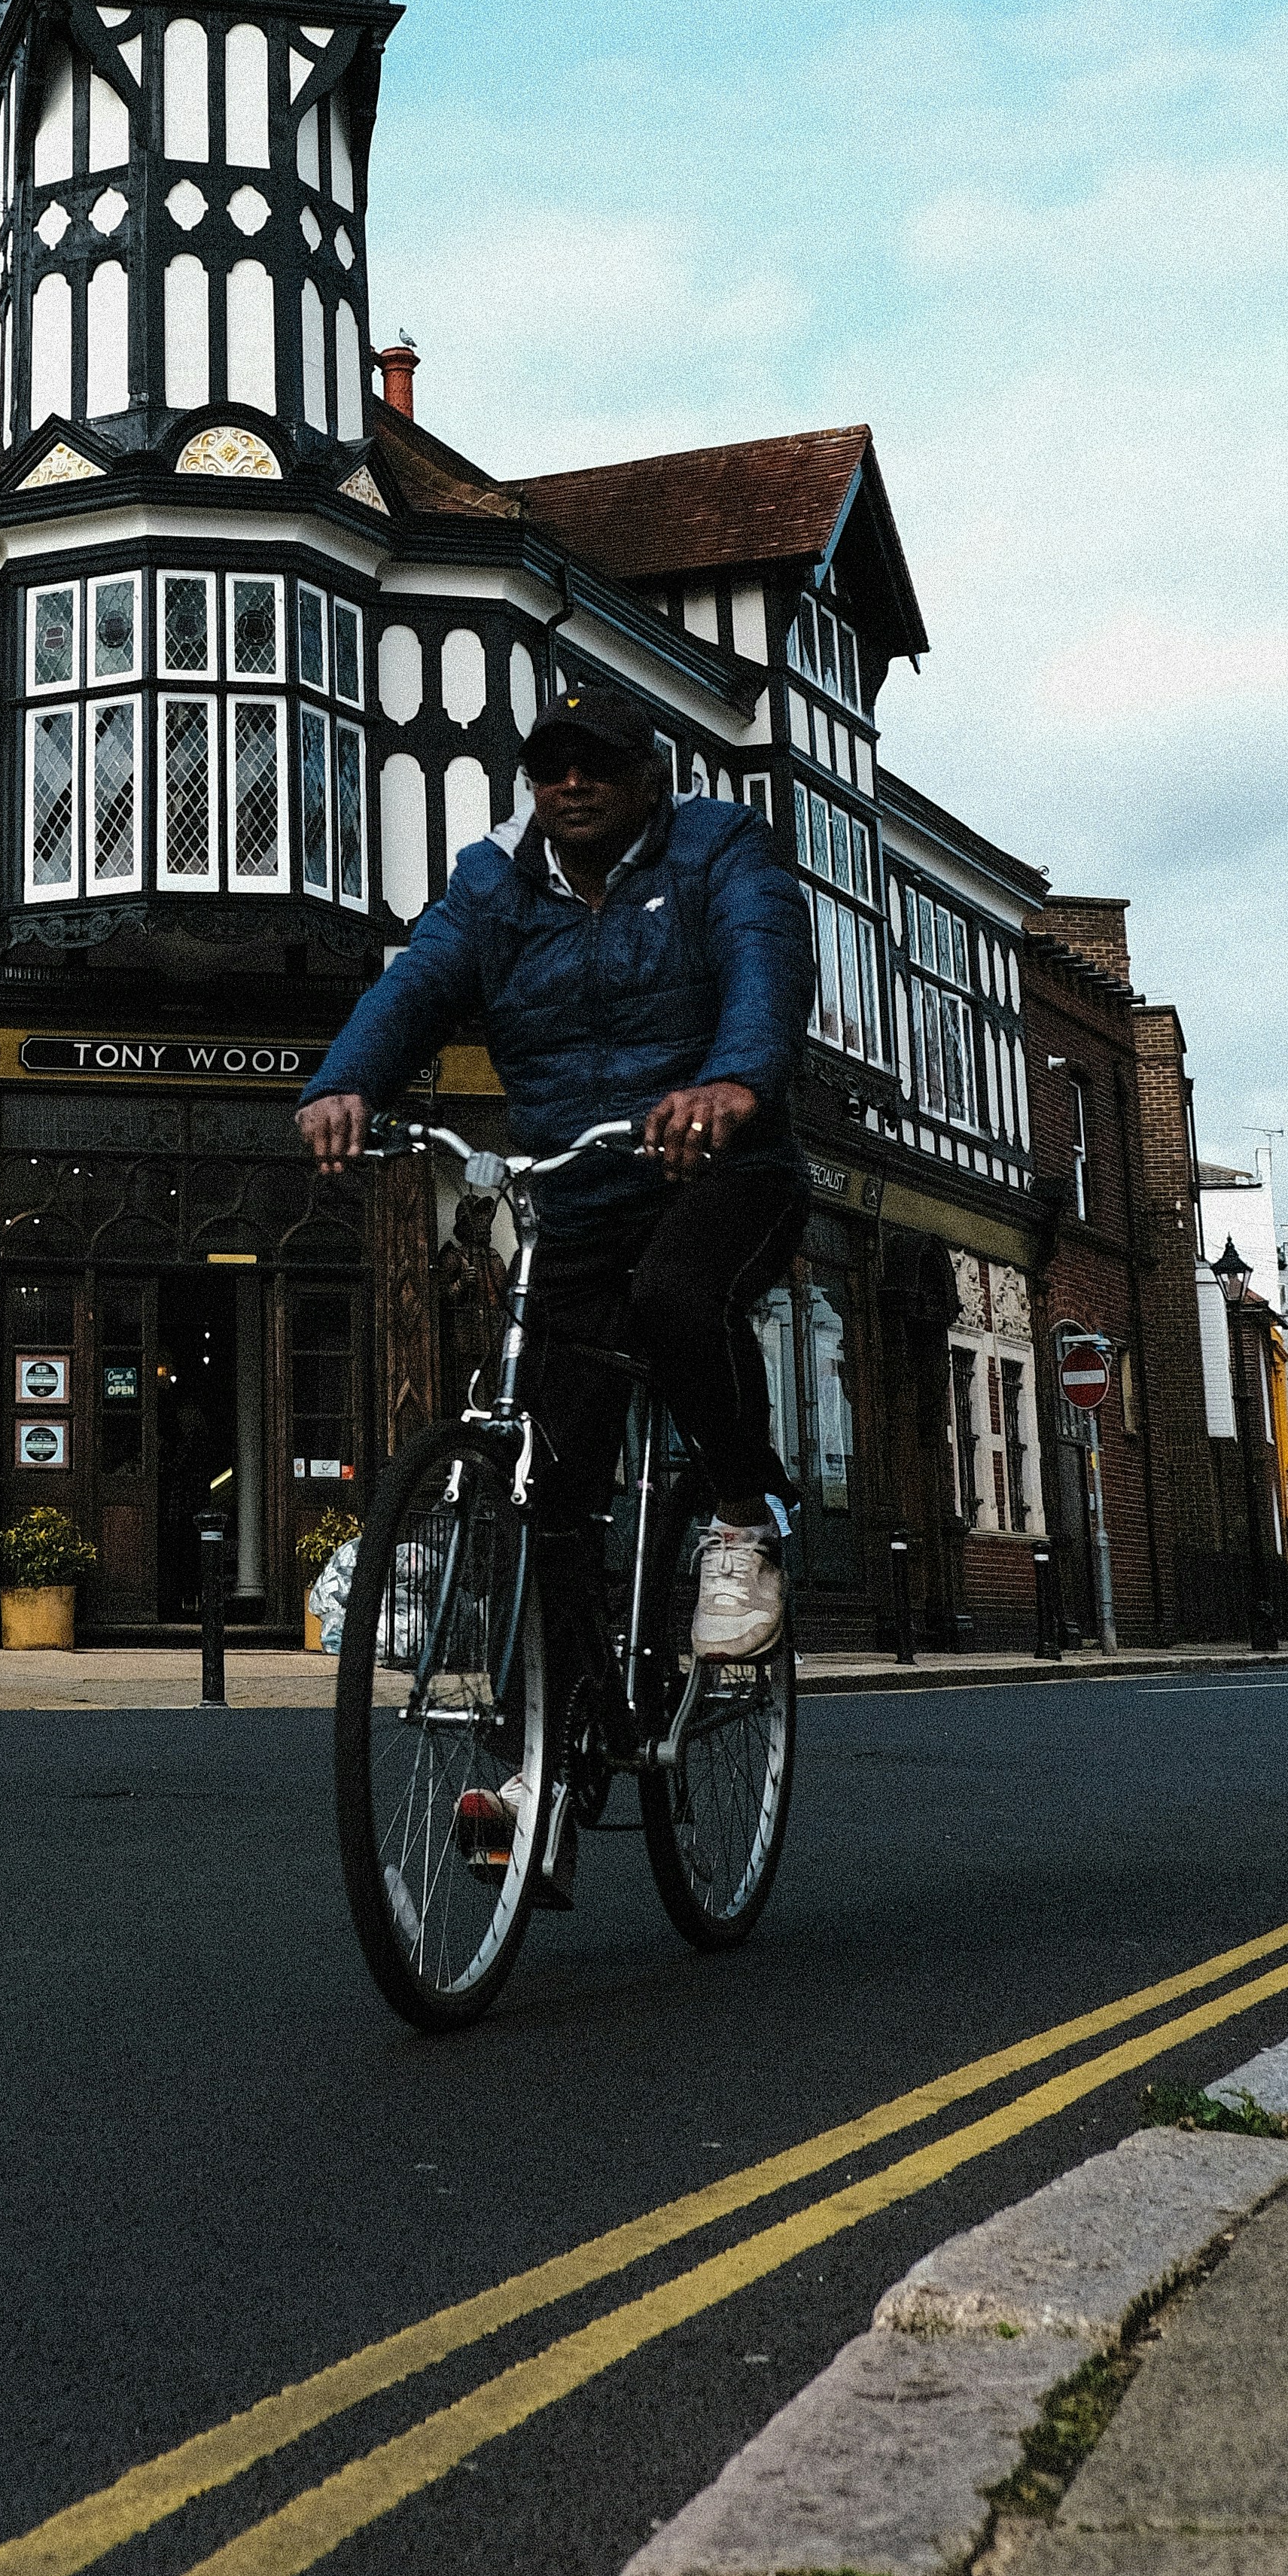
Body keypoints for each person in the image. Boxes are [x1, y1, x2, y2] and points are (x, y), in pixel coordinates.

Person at [298, 688, 815, 1878]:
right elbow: (418, 983)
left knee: (680, 1300)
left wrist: (733, 1081)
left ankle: (742, 1519)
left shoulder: (717, 849)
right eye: (548, 767)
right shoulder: (493, 882)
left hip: (721, 1166)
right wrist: (346, 1081)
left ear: (647, 775)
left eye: (595, 765)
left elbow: (761, 960)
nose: (569, 785)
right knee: (550, 1483)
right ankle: (562, 1741)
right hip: (577, 1191)